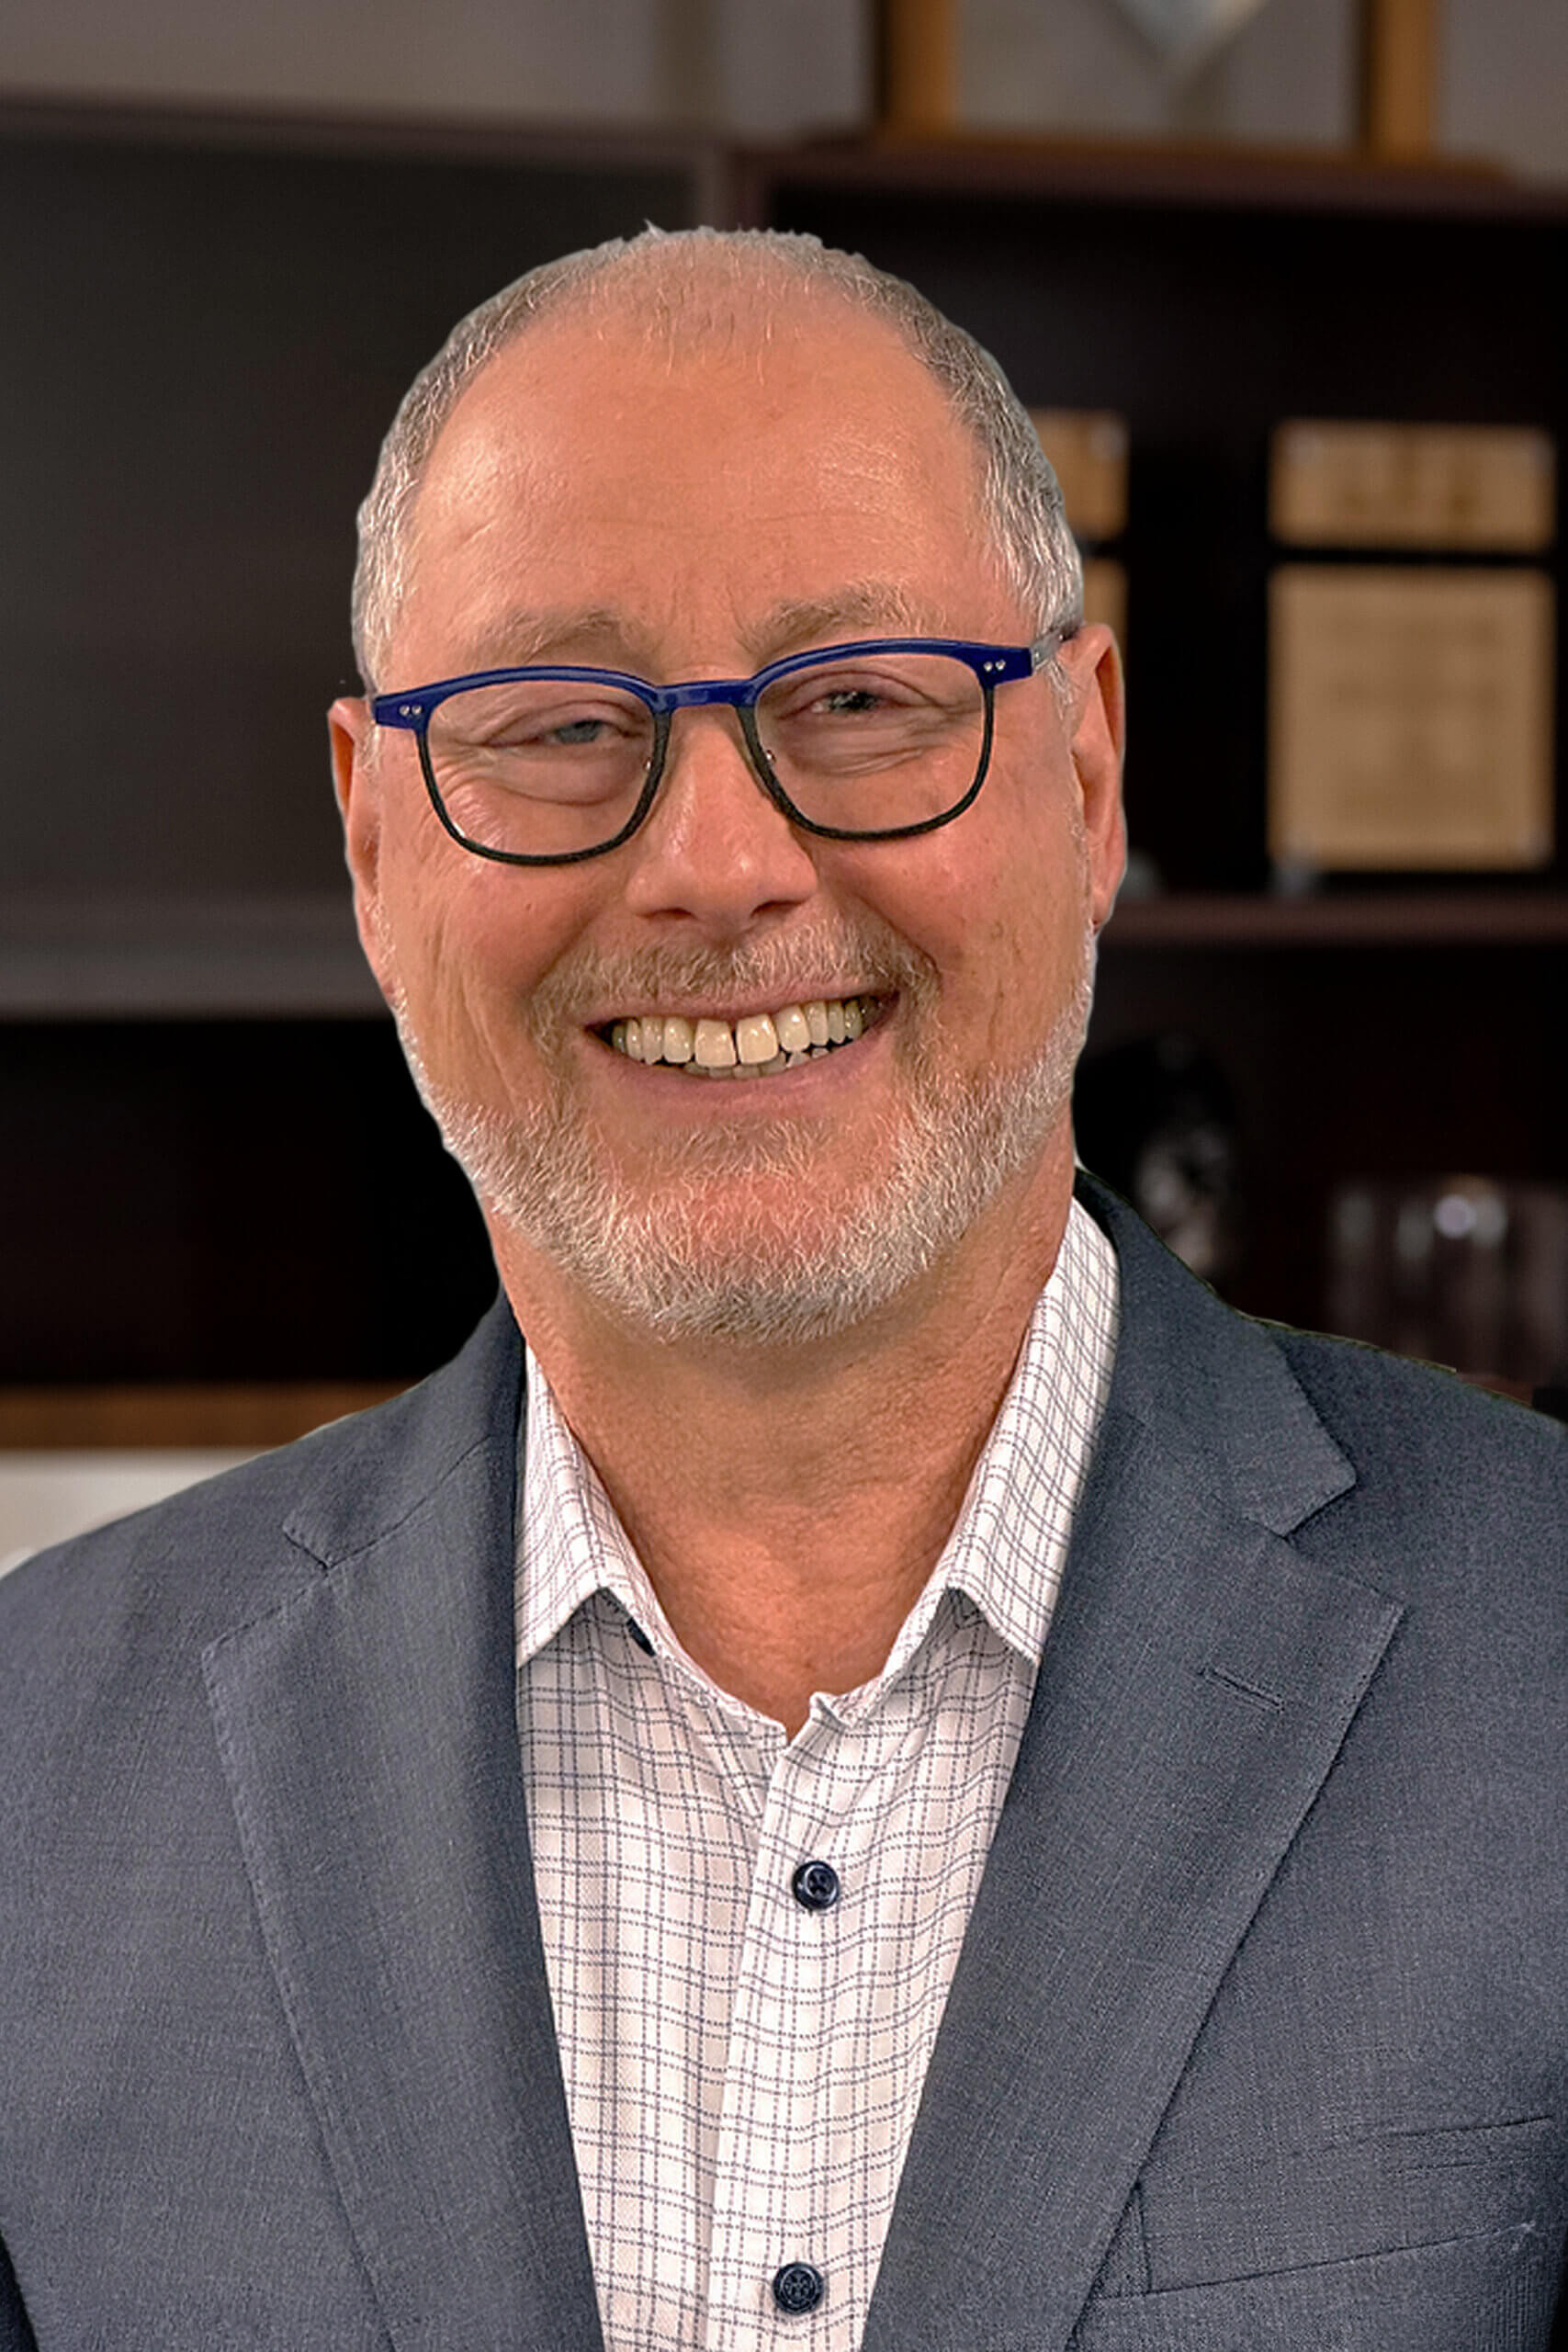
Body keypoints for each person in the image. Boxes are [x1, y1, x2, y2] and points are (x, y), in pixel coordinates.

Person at [1, 227, 1563, 2352]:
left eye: (856, 702)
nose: (718, 866)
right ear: (372, 842)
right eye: (558, 724)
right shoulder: (34, 1765)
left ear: (1085, 771)